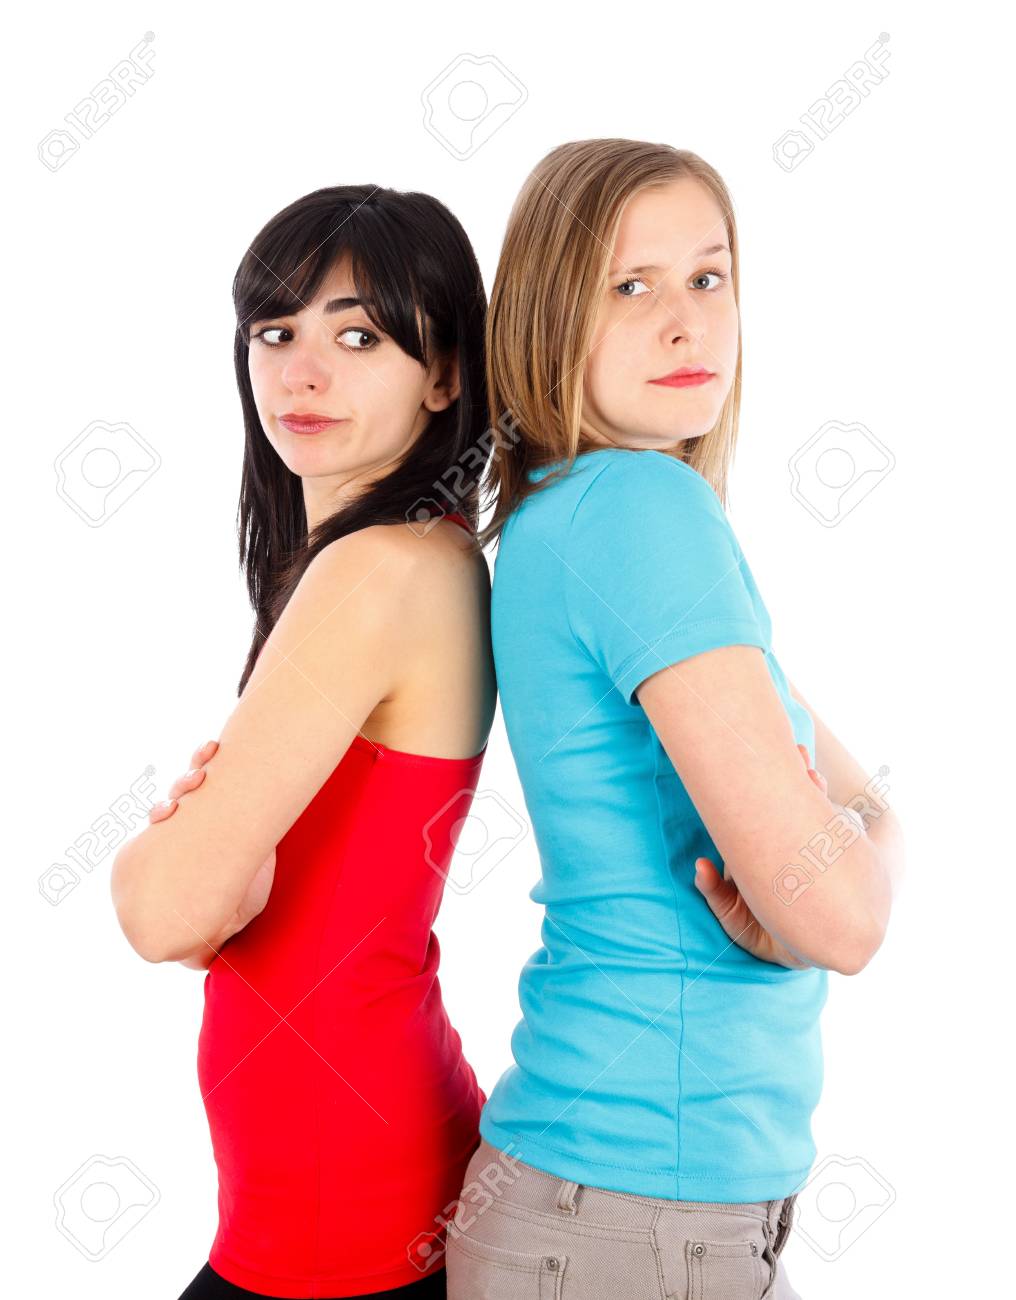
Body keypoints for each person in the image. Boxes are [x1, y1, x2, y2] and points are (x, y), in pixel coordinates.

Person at [445, 139, 905, 1300]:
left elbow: (862, 820)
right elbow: (845, 913)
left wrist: (821, 887)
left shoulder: (569, 513)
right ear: (549, 316)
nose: (683, 322)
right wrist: (813, 899)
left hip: (616, 1208)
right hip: (634, 1215)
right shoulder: (643, 512)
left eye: (706, 277)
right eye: (628, 285)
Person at [110, 184, 497, 1299]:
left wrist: (177, 860)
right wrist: (213, 874)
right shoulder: (406, 557)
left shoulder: (378, 572)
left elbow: (162, 913)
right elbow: (219, 910)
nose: (300, 373)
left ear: (445, 373)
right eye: (274, 333)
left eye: (358, 336)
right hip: (344, 1191)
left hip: (347, 1209)